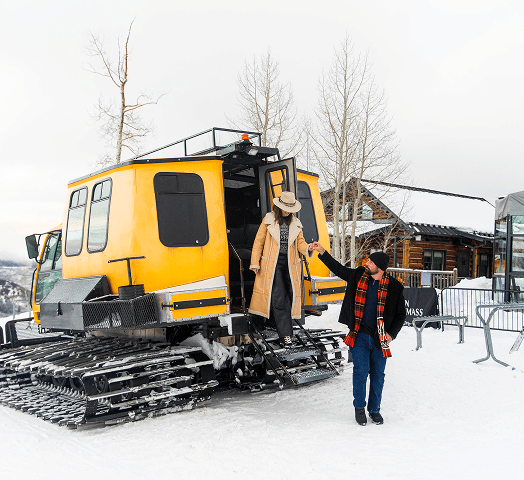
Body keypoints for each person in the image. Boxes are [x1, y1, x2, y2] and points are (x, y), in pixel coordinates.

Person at [310, 243, 406, 425]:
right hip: (359, 334)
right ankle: (359, 408)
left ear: (380, 268)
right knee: (360, 373)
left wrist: (391, 334)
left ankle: (375, 410)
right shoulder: (357, 276)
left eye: (370, 262)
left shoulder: (394, 287)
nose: (367, 263)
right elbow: (338, 268)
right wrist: (322, 252)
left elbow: (401, 314)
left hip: (380, 339)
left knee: (378, 376)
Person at [248, 191, 314, 348]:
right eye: (285, 207)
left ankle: (271, 326)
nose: (287, 211)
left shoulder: (296, 222)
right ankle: (286, 336)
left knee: (289, 296)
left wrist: (309, 248)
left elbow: (300, 243)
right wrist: (255, 263)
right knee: (280, 297)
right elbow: (259, 242)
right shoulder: (269, 219)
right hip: (272, 264)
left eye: (290, 208)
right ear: (279, 206)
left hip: (290, 265)